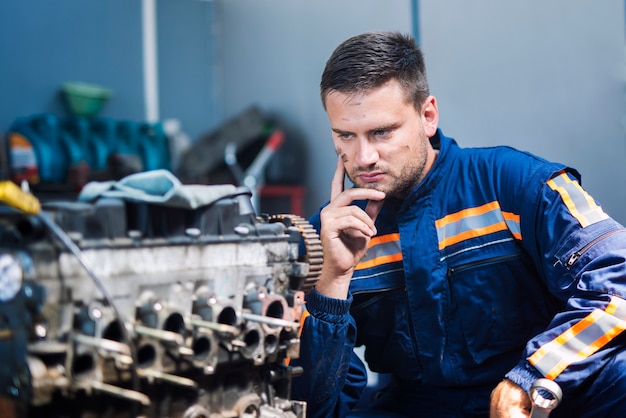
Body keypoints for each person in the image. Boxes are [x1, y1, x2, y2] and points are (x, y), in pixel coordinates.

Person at [290, 31, 626, 417]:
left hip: (544, 399)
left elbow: (618, 280)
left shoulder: (514, 185)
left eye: (382, 132)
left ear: (427, 116)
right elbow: (315, 407)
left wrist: (532, 377)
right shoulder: (325, 237)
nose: (363, 157)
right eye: (345, 136)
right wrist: (332, 281)